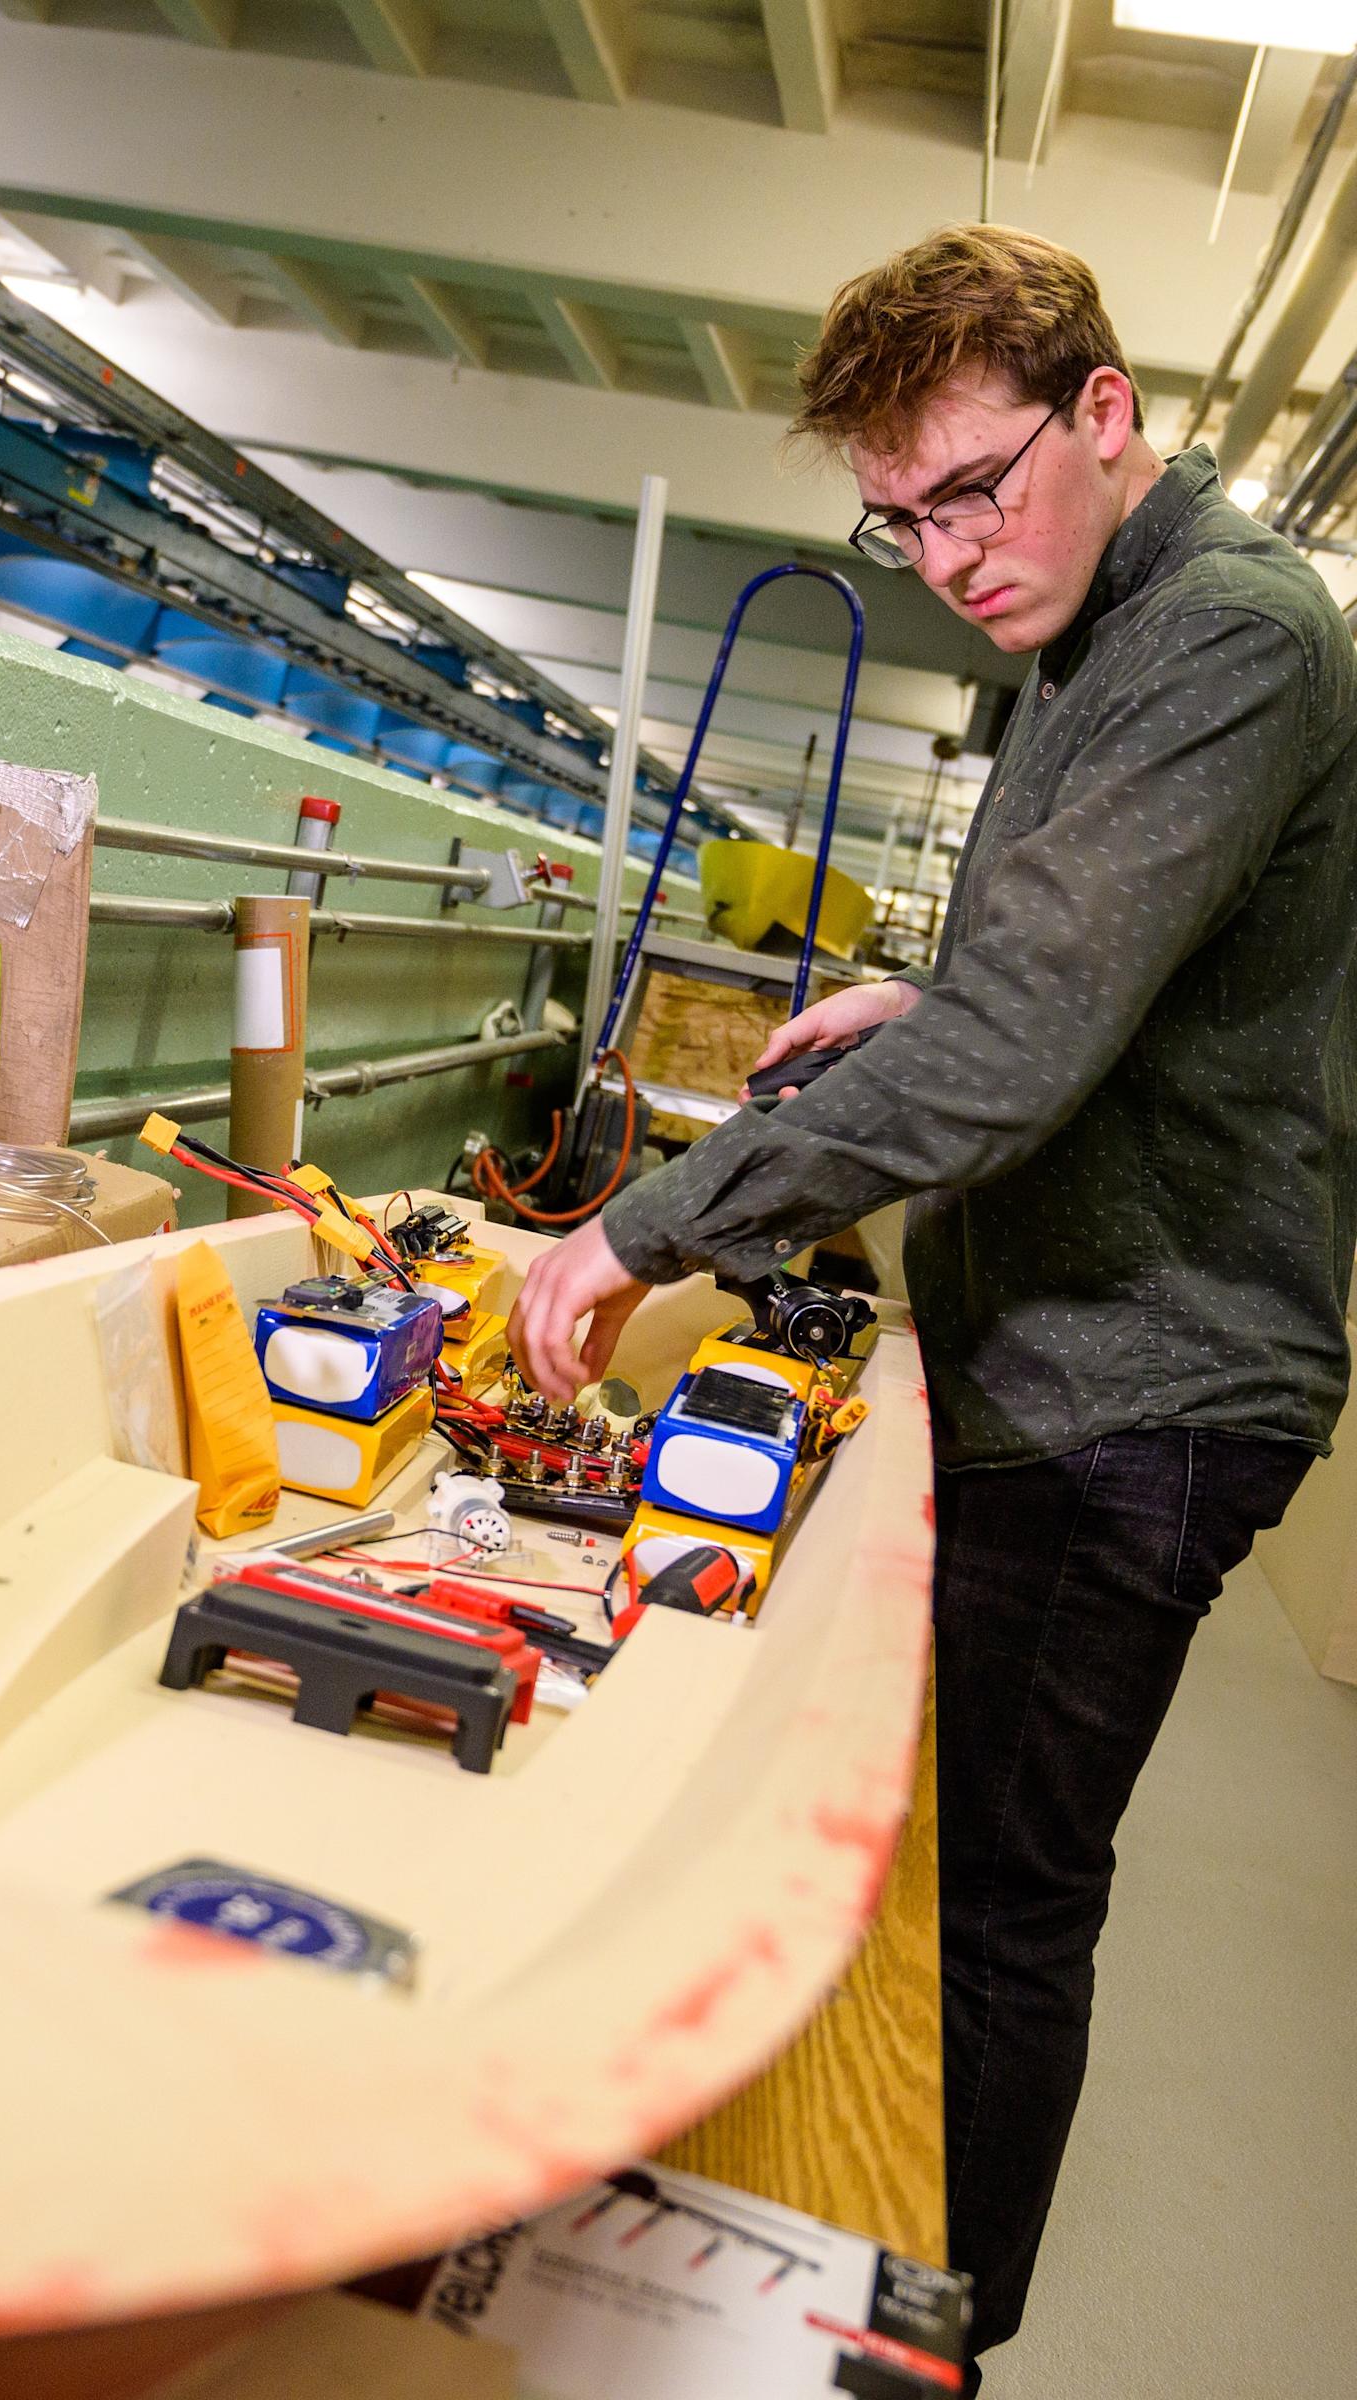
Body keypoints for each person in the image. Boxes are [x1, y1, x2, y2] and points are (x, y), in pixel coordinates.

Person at [510, 225, 1357, 2379]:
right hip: (1053, 1363)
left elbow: (1026, 1052)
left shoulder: (1234, 638)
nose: (946, 556)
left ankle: (917, 2348)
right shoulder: (1081, 644)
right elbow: (1060, 982)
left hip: (1136, 1392)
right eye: (896, 521)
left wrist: (643, 1231)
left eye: (973, 491)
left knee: (996, 1921)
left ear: (1105, 412)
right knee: (950, 1883)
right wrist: (931, 987)